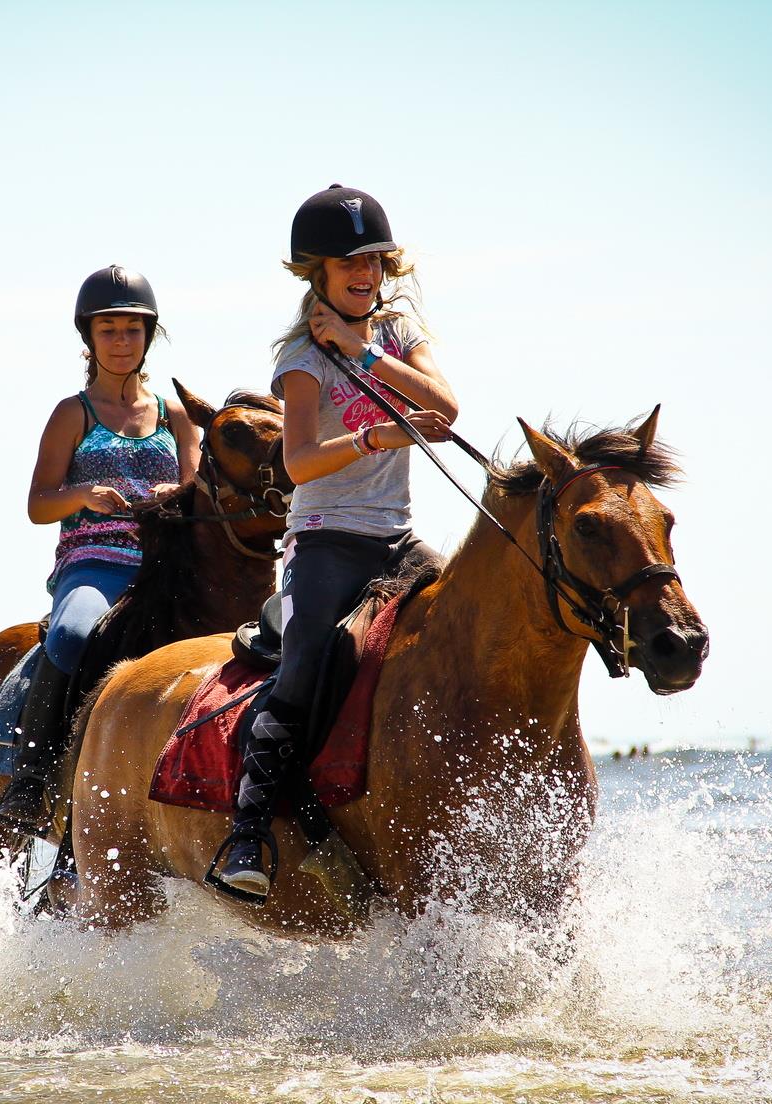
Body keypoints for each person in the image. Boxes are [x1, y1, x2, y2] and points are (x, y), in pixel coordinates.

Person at [210, 185, 458, 902]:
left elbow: (444, 409)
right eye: (349, 263)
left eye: (375, 261)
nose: (365, 273)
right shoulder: (297, 357)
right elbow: (300, 462)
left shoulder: (400, 336)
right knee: (311, 653)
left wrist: (364, 352)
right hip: (326, 542)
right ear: (315, 272)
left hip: (399, 541)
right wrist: (375, 435)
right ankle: (248, 832)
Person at [0, 266, 201, 834]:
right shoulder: (72, 413)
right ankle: (33, 775)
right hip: (94, 564)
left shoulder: (174, 414)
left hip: (165, 566)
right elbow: (38, 505)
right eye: (109, 330)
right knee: (74, 634)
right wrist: (82, 493)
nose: (121, 341)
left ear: (148, 337)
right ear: (89, 337)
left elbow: (201, 494)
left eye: (132, 330)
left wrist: (176, 493)